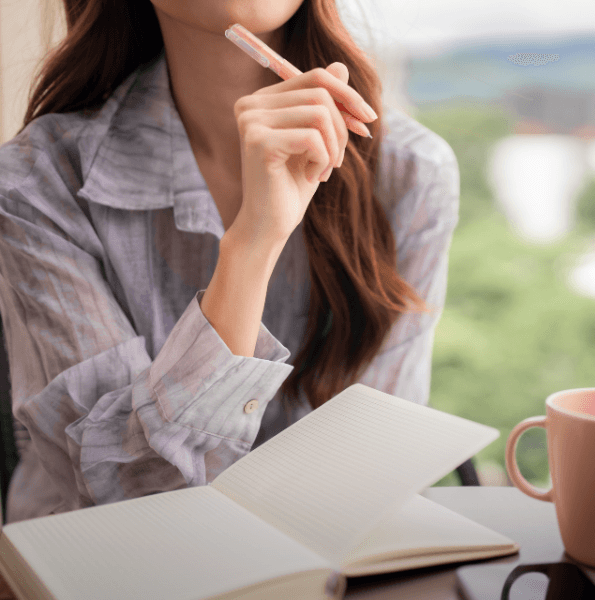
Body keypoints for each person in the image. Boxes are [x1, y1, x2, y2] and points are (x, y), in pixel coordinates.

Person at [0, 0, 459, 523]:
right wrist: (252, 244)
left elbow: (372, 474)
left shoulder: (410, 174)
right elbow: (127, 498)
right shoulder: (35, 182)